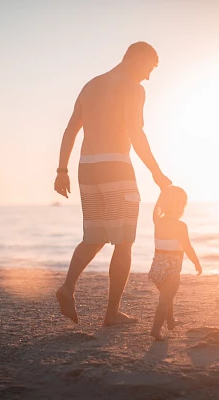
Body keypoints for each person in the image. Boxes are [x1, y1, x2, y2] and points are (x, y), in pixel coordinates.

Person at [54, 42, 171, 326]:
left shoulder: (91, 85)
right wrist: (157, 173)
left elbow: (71, 129)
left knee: (94, 237)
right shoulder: (133, 87)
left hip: (87, 168)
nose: (148, 77)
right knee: (124, 241)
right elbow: (136, 134)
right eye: (149, 68)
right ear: (137, 59)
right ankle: (111, 314)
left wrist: (61, 170)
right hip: (116, 166)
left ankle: (67, 287)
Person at [149, 186, 202, 341]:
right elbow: (187, 247)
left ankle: (170, 321)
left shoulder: (158, 221)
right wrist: (196, 262)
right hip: (171, 269)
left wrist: (161, 194)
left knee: (167, 296)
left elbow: (155, 210)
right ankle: (155, 329)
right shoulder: (181, 226)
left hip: (156, 268)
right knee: (165, 300)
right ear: (180, 207)